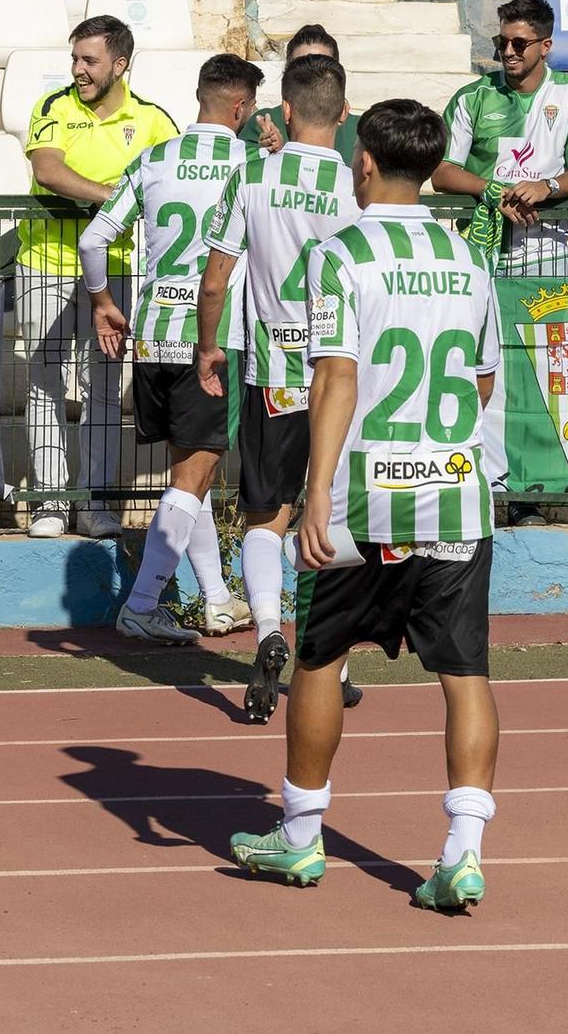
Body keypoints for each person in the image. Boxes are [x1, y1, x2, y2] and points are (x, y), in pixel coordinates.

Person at [229, 99, 504, 913]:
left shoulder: (342, 255)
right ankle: (464, 852)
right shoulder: (468, 258)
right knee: (465, 673)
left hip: (364, 502)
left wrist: (314, 493)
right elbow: (483, 382)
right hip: (455, 491)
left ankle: (302, 834)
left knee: (317, 655)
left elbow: (336, 377)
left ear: (365, 163)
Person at [79, 54, 267, 644]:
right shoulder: (255, 163)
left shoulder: (155, 157)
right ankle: (140, 604)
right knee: (194, 477)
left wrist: (104, 302)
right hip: (214, 336)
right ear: (240, 108)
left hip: (155, 332)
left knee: (191, 471)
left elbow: (92, 239)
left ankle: (214, 598)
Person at [197, 54, 361, 721]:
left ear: (284, 111)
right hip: (341, 373)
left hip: (272, 373)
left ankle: (267, 628)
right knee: (332, 518)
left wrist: (210, 345)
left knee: (266, 515)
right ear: (343, 115)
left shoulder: (253, 175)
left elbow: (215, 280)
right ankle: (332, 664)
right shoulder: (357, 187)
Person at [20, 16, 180, 539]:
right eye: (75, 59)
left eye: (89, 61)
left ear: (120, 65)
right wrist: (115, 195)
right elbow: (48, 169)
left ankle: (96, 502)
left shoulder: (154, 120)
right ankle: (50, 503)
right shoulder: (53, 106)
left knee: (105, 388)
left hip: (116, 268)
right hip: (44, 262)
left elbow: (181, 174)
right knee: (45, 382)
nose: (78, 70)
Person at [431, 0, 568, 278]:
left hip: (546, 249)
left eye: (519, 44)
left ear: (545, 46)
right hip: (479, 248)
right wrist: (491, 190)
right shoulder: (470, 98)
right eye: (502, 42)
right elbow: (442, 173)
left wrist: (547, 186)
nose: (508, 51)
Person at [240, 24, 360, 164]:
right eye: (301, 67)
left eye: (323, 65)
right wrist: (265, 153)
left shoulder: (360, 130)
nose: (313, 76)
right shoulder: (264, 124)